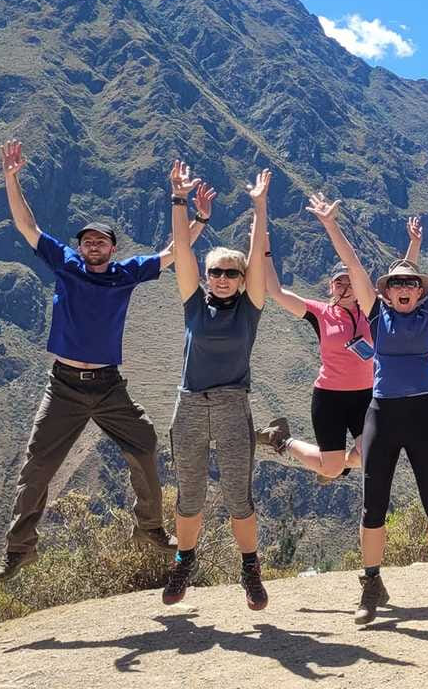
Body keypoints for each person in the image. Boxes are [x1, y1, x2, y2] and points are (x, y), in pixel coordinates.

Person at [0, 140, 205, 582]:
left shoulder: (126, 274)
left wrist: (197, 217)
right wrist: (11, 179)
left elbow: (172, 253)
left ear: (111, 247)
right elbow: (26, 225)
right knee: (37, 468)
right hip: (64, 386)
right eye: (86, 240)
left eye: (100, 241)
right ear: (80, 246)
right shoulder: (65, 264)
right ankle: (18, 550)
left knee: (143, 444)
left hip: (107, 386)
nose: (92, 246)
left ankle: (148, 527)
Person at [321, 192, 428, 621]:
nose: (404, 288)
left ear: (419, 289)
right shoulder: (376, 314)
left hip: (423, 416)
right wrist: (331, 224)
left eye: (411, 282)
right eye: (396, 283)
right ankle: (370, 584)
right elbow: (354, 266)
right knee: (373, 504)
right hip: (382, 416)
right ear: (387, 292)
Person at [160, 164, 271, 610]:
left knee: (237, 496)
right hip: (189, 405)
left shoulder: (250, 309)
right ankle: (184, 563)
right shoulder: (193, 303)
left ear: (243, 279)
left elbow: (258, 251)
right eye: (216, 272)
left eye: (231, 273)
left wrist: (260, 207)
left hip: (231, 405)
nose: (222, 278)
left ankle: (250, 568)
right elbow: (182, 249)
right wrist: (179, 200)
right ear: (206, 275)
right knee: (190, 494)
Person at [254, 217, 423, 482]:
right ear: (330, 286)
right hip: (329, 398)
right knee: (331, 470)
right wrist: (264, 250)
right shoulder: (319, 313)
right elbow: (276, 291)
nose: (344, 288)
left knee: (372, 456)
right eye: (338, 283)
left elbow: (402, 282)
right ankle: (282, 438)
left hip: (365, 396)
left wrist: (414, 244)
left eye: (349, 283)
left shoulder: (373, 309)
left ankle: (333, 463)